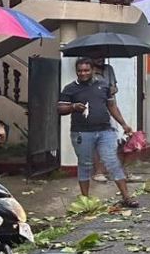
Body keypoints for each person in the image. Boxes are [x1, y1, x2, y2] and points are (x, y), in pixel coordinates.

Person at [57, 58, 137, 208]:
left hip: (105, 131)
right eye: (80, 71)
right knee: (85, 164)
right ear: (76, 72)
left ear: (93, 70)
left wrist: (123, 124)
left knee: (112, 162)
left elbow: (112, 106)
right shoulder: (70, 89)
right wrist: (73, 107)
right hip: (82, 132)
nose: (83, 73)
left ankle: (127, 197)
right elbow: (60, 109)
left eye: (86, 70)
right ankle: (85, 201)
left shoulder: (103, 86)